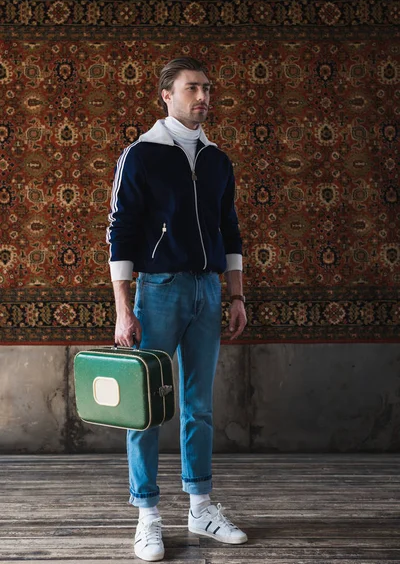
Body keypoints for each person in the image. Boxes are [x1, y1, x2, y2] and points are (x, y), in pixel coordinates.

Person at [106, 57, 248, 562]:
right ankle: (147, 515)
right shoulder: (141, 155)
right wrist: (125, 309)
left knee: (199, 406)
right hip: (159, 290)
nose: (203, 97)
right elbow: (120, 231)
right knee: (144, 408)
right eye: (193, 88)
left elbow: (229, 230)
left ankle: (201, 507)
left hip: (208, 292)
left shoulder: (217, 160)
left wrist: (235, 294)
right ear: (166, 94)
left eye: (208, 88)